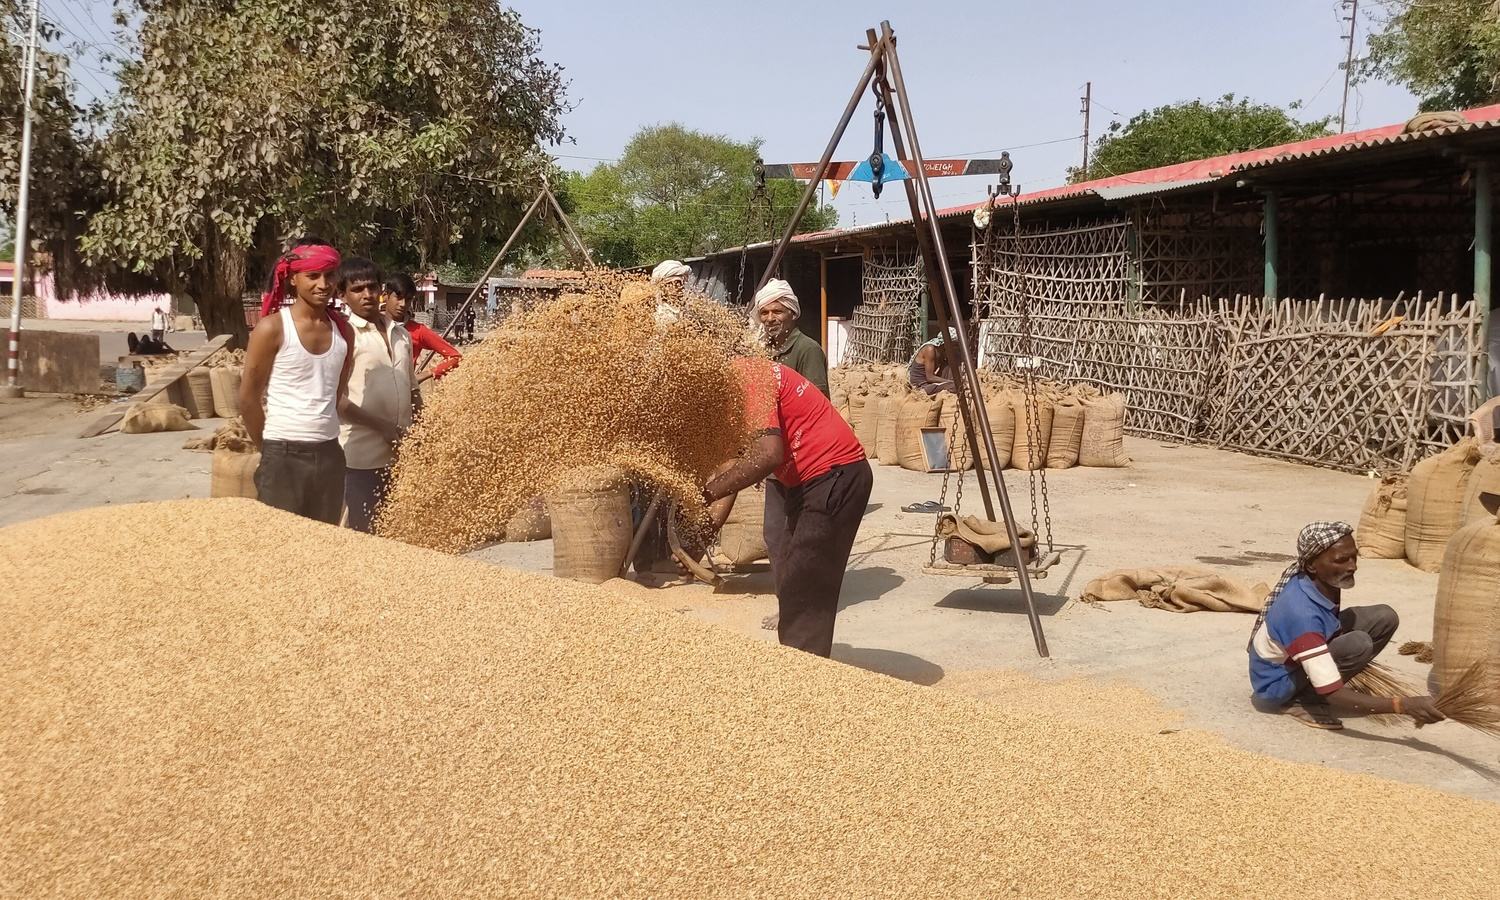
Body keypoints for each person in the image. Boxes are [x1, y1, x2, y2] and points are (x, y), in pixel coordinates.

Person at [703, 358, 872, 657]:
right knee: (795, 580)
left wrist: (706, 494)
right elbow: (732, 468)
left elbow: (768, 455)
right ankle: (799, 666)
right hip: (809, 483)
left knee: (803, 587)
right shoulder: (732, 389)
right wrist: (702, 531)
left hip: (834, 475)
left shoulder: (750, 375)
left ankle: (800, 677)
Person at [1247, 521, 1445, 730]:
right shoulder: (1301, 615)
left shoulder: (1319, 581)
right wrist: (1403, 705)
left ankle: (1321, 676)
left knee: (1384, 617)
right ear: (1312, 565)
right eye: (1341, 560)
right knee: (1357, 644)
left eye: (1354, 557)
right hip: (1277, 684)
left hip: (1304, 648)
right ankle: (1306, 699)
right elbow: (1333, 692)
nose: (1352, 566)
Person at [239, 237, 354, 525]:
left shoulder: (344, 332)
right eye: (312, 276)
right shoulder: (273, 329)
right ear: (292, 279)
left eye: (329, 275)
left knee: (322, 544)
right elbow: (248, 399)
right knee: (280, 546)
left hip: (329, 452)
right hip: (283, 452)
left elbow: (335, 393)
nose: (323, 284)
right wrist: (269, 451)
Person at [336, 258, 418, 533]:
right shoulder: (344, 337)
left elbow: (412, 387)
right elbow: (337, 399)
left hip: (400, 451)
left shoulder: (402, 334)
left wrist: (422, 430)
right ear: (342, 295)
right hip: (361, 453)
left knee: (397, 532)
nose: (367, 295)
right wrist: (381, 426)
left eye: (372, 287)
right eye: (357, 289)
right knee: (364, 532)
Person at [751, 279, 829, 396]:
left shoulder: (808, 349)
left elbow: (816, 401)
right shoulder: (762, 349)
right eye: (764, 313)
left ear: (792, 314)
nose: (770, 319)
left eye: (777, 312)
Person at [383, 273, 461, 382]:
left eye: (408, 299)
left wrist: (426, 374)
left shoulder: (417, 331)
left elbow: (455, 357)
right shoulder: (371, 325)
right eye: (398, 298)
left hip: (403, 393)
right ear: (385, 296)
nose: (402, 304)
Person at [909, 327, 959, 395]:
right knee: (955, 386)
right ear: (947, 343)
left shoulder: (942, 351)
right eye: (954, 345)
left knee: (949, 366)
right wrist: (949, 382)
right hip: (921, 386)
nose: (955, 347)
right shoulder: (930, 349)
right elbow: (930, 377)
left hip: (930, 383)